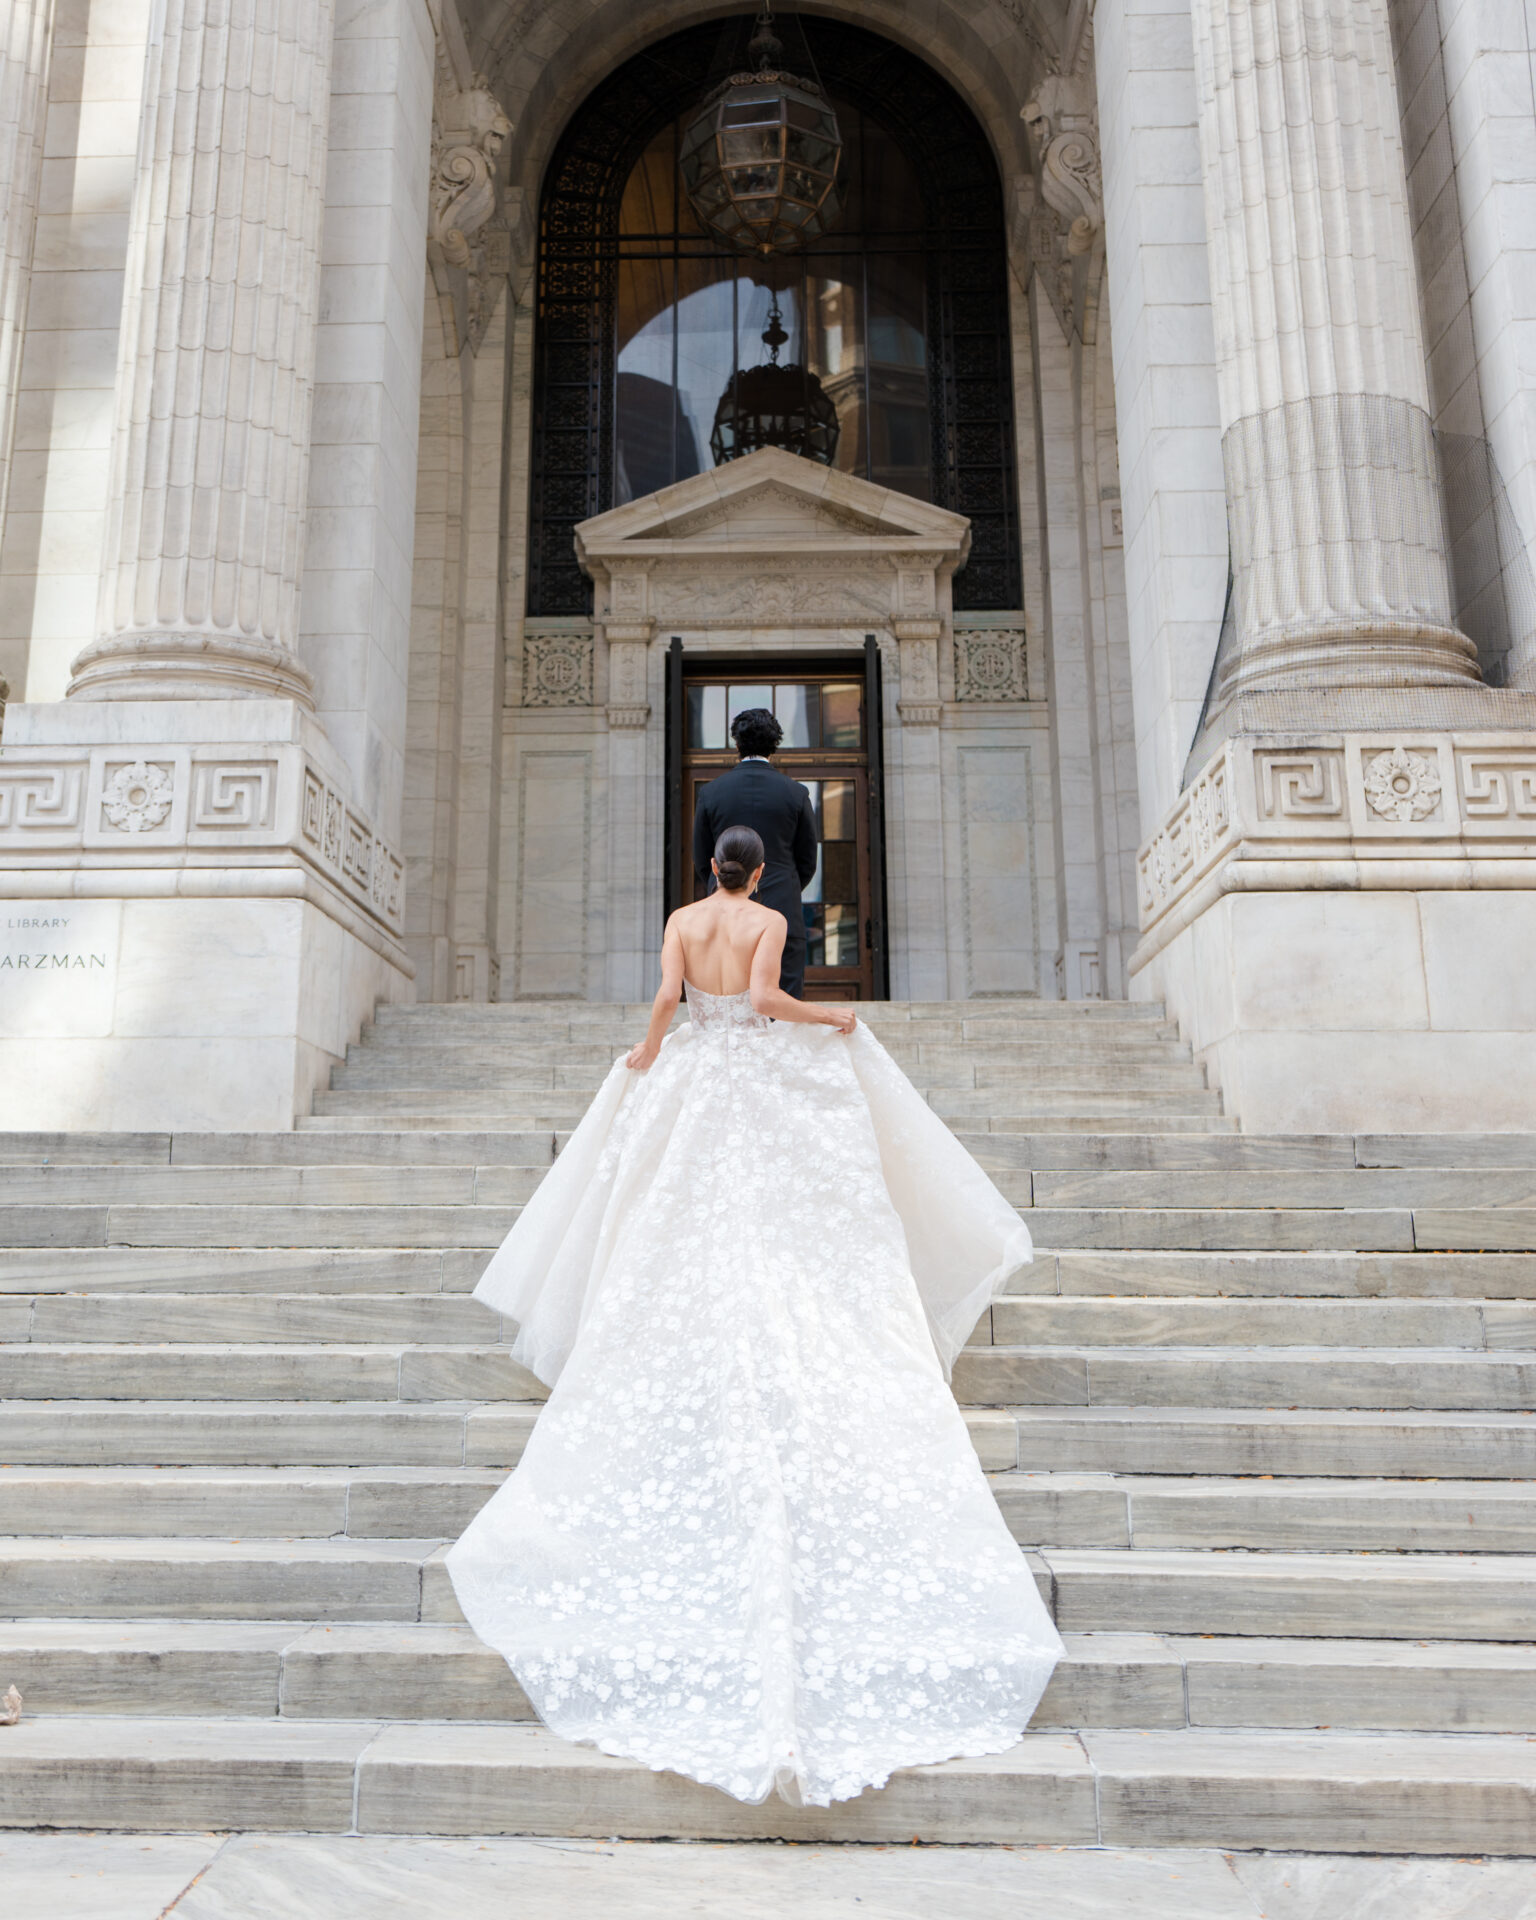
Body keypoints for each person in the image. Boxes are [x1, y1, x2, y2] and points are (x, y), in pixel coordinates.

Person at [446, 825, 1064, 1808]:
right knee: (776, 1206)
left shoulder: (684, 923)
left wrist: (651, 1053)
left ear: (707, 870)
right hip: (751, 1065)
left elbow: (664, 1002)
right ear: (762, 869)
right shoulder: (771, 919)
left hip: (694, 1066)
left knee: (678, 1210)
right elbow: (771, 1001)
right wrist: (837, 1025)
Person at [691, 707, 818, 997]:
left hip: (723, 911)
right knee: (782, 1007)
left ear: (736, 743)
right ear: (775, 745)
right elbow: (807, 861)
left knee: (728, 999)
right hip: (781, 904)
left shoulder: (711, 793)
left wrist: (725, 886)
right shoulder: (796, 793)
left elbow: (702, 858)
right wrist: (784, 884)